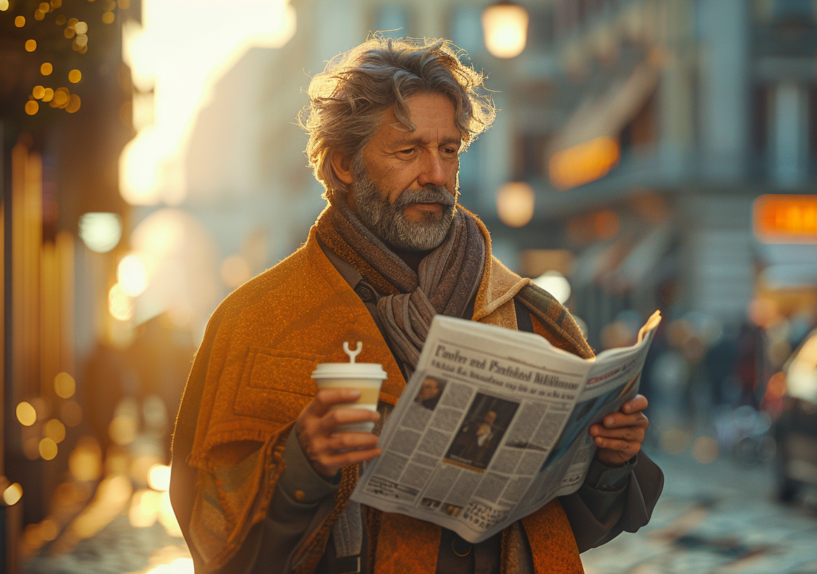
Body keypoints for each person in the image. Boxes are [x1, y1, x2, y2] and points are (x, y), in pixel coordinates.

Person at [169, 36, 663, 574]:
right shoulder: (256, 321)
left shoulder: (528, 315)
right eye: (408, 151)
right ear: (343, 164)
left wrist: (612, 461)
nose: (435, 174)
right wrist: (300, 466)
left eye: (447, 150)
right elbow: (211, 533)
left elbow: (578, 525)